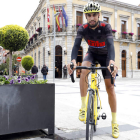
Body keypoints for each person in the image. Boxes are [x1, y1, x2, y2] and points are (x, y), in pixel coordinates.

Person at [67, 2, 119, 138]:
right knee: (83, 71)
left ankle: (114, 123)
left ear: (99, 15)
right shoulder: (82, 28)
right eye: (89, 15)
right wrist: (73, 61)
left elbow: (111, 45)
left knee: (110, 88)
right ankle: (84, 108)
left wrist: (112, 61)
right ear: (85, 16)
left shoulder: (106, 26)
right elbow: (76, 46)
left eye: (94, 15)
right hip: (91, 53)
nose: (92, 18)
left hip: (106, 56)